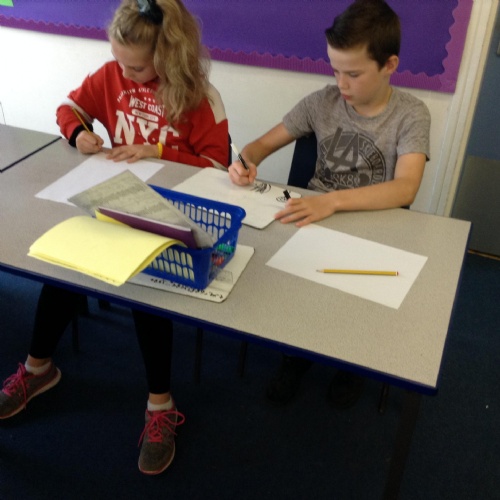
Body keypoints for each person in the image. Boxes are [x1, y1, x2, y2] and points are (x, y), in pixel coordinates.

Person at [0, 0, 228, 475]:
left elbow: (217, 167)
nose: (125, 74)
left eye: (137, 68)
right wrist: (78, 133)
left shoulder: (199, 95)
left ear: (168, 55)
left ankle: (160, 405)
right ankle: (39, 369)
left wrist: (158, 150)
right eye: (119, 62)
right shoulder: (111, 75)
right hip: (117, 204)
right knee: (64, 266)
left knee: (146, 290)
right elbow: (68, 108)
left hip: (171, 214)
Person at [228, 0, 430, 408]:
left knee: (356, 300)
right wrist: (244, 162)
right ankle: (296, 356)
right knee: (290, 281)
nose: (341, 83)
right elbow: (259, 145)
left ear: (389, 65)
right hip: (315, 217)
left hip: (374, 223)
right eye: (335, 70)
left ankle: (350, 364)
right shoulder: (322, 102)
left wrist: (333, 201)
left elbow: (405, 188)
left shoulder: (411, 114)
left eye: (353, 73)